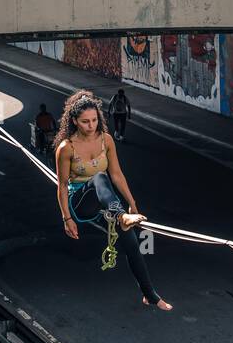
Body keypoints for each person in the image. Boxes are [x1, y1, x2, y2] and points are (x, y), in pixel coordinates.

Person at [55, 90, 170, 310]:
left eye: (95, 120)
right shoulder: (66, 148)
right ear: (74, 121)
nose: (91, 125)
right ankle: (121, 217)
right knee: (99, 176)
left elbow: (116, 174)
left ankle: (150, 295)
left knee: (132, 243)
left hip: (107, 202)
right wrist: (66, 218)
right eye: (85, 122)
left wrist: (133, 203)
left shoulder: (106, 140)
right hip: (81, 203)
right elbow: (61, 185)